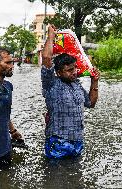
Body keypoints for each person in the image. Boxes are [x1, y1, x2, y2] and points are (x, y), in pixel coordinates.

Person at [41, 25, 100, 159]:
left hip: (77, 141)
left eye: (75, 68)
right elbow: (46, 60)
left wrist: (94, 81)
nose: (74, 72)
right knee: (55, 175)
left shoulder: (77, 85)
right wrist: (51, 36)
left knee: (75, 175)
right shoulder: (51, 83)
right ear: (58, 72)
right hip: (58, 141)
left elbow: (91, 103)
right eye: (69, 70)